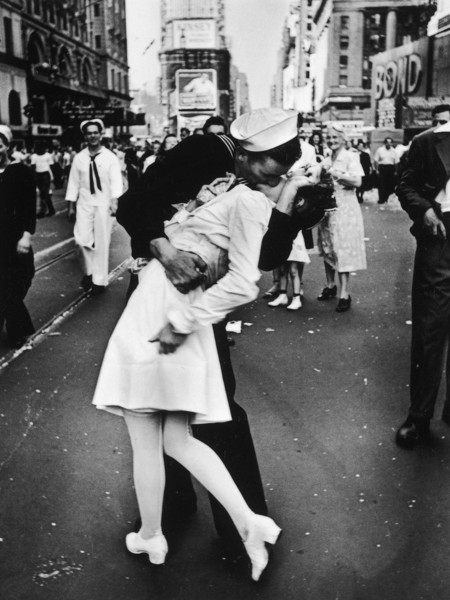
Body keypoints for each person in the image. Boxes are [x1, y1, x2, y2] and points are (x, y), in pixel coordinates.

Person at [95, 108, 309, 579]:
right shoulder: (205, 151)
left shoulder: (269, 187)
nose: (282, 171)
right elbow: (134, 205)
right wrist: (166, 252)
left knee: (209, 408)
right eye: (277, 161)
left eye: (289, 162)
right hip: (161, 287)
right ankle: (173, 511)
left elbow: (262, 261)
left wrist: (289, 210)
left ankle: (235, 524)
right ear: (250, 153)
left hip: (200, 304)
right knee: (164, 409)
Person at [395, 116, 450, 448]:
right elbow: (405, 185)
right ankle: (419, 417)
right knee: (430, 330)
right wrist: (425, 210)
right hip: (440, 235)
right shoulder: (429, 141)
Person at [66, 119, 123, 295]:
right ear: (85, 136)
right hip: (84, 203)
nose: (92, 136)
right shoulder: (79, 158)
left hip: (103, 204)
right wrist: (70, 206)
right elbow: (73, 183)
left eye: (95, 132)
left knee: (102, 243)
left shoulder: (110, 157)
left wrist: (114, 202)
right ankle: (89, 273)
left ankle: (99, 281)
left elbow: (116, 182)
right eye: (89, 133)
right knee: (81, 241)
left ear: (101, 134)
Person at [316, 124, 367, 312]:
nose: (331, 141)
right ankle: (330, 285)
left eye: (335, 138)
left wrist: (334, 174)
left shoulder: (351, 157)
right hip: (327, 209)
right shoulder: (327, 158)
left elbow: (357, 181)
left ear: (343, 139)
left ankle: (345, 293)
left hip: (345, 208)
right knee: (327, 247)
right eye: (328, 138)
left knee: (342, 249)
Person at [0, 125, 37, 348]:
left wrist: (26, 235)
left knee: (20, 279)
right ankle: (17, 331)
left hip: (14, 236)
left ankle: (17, 325)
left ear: (7, 146)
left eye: (0, 143)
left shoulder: (21, 172)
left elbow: (28, 207)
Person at [30, 142, 55, 218]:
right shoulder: (34, 156)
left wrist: (52, 177)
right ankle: (51, 209)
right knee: (43, 194)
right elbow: (33, 167)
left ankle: (42, 212)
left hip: (45, 175)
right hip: (38, 175)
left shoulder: (48, 156)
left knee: (43, 194)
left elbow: (51, 166)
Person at [373, 137, 398, 204]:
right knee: (381, 184)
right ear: (385, 143)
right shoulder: (380, 150)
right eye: (387, 142)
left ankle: (386, 198)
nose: (389, 144)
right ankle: (381, 199)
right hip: (382, 168)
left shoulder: (394, 151)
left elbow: (396, 162)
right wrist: (376, 170)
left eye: (390, 142)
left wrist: (396, 171)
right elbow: (376, 161)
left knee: (389, 185)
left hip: (391, 169)